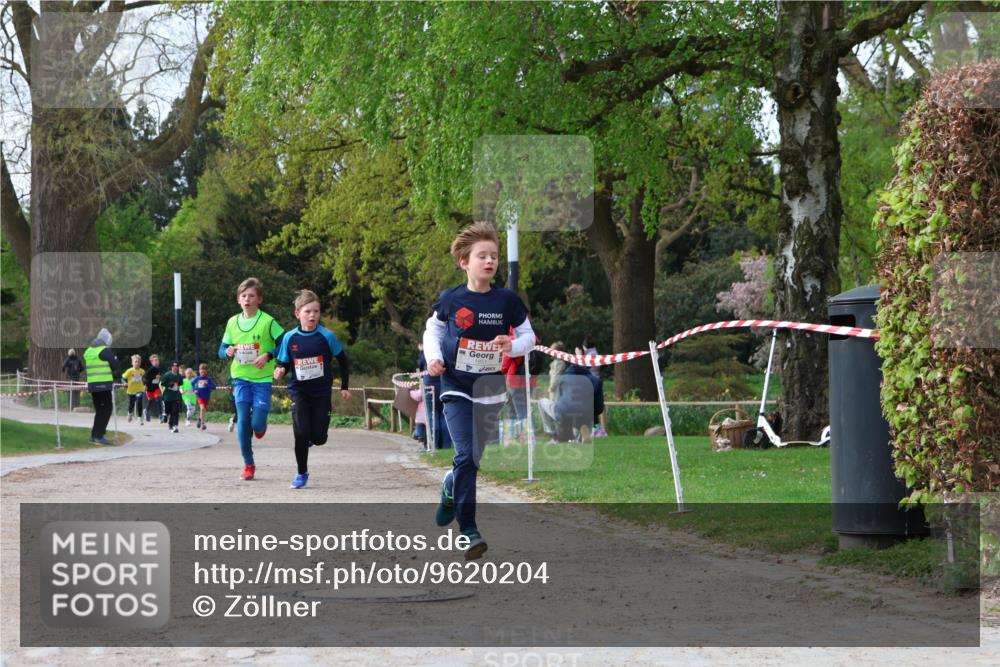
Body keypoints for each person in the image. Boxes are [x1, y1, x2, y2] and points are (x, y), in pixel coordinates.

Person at [423, 222, 535, 560]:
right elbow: (433, 329)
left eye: (495, 257)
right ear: (464, 262)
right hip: (455, 385)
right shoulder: (451, 299)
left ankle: (449, 486)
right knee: (466, 453)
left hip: (490, 388)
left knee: (473, 458)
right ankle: (468, 530)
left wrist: (512, 344)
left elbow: (529, 337)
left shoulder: (507, 300)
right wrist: (434, 358)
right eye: (482, 256)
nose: (490, 262)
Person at [274, 289, 350, 489]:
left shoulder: (327, 336)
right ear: (298, 314)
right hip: (298, 391)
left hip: (321, 392)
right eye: (308, 311)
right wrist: (280, 370)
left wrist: (344, 386)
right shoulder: (290, 338)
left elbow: (343, 360)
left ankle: (312, 438)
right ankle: (301, 473)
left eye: (316, 311)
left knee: (319, 438)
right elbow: (283, 362)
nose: (313, 315)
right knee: (300, 434)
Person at [221, 277, 285, 481]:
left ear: (260, 299)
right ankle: (248, 464)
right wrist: (227, 351)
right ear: (238, 300)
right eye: (243, 296)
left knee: (256, 424)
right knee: (243, 420)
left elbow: (285, 343)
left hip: (263, 378)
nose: (247, 299)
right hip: (240, 377)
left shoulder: (268, 321)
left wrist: (268, 355)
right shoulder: (232, 322)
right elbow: (221, 349)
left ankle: (260, 427)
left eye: (251, 296)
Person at [83, 329, 119, 445]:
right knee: (106, 410)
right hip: (103, 385)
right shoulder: (104, 351)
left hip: (93, 386)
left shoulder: (88, 351)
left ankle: (95, 435)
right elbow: (116, 365)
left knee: (100, 411)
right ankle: (98, 436)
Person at [160, 361, 184, 434]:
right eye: (174, 366)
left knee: (175, 411)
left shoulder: (179, 376)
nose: (175, 368)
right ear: (171, 367)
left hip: (175, 396)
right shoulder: (167, 375)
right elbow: (162, 382)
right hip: (167, 396)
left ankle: (175, 426)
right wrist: (169, 384)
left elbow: (181, 382)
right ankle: (165, 415)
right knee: (168, 411)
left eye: (176, 366)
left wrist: (177, 383)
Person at [121, 355, 146, 424]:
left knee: (139, 402)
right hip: (131, 391)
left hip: (139, 390)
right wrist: (124, 383)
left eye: (138, 362)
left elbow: (144, 379)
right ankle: (129, 413)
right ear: (132, 363)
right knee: (131, 405)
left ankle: (140, 417)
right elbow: (122, 378)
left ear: (140, 363)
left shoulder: (142, 371)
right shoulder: (129, 371)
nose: (137, 363)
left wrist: (145, 384)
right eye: (135, 362)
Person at [194, 364, 217, 430]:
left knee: (204, 410)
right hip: (200, 396)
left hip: (206, 396)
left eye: (204, 372)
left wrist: (207, 385)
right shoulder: (197, 378)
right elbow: (192, 383)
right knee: (202, 408)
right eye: (201, 372)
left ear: (206, 371)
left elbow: (214, 386)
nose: (203, 373)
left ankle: (199, 419)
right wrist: (194, 389)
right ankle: (202, 423)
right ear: (199, 371)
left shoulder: (208, 379)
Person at [142, 354, 163, 423]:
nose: (157, 362)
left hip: (156, 387)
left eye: (157, 360)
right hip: (149, 388)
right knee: (150, 401)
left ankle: (160, 416)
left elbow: (158, 378)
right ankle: (146, 411)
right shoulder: (151, 369)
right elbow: (144, 377)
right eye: (155, 361)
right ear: (152, 362)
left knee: (158, 399)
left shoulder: (159, 368)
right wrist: (145, 385)